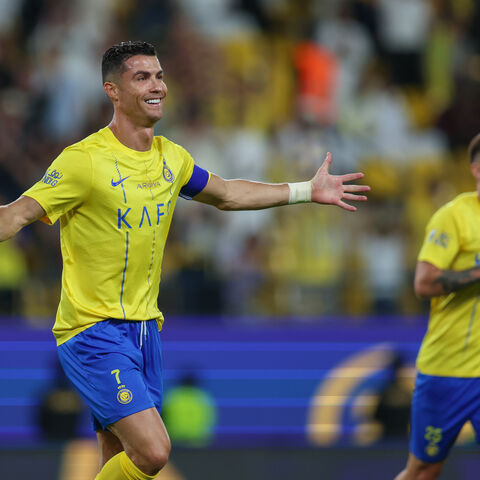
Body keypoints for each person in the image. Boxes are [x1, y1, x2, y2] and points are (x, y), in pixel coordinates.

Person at [0, 41, 370, 480]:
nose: (157, 86)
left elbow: (228, 194)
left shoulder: (171, 159)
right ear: (112, 91)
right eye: (142, 77)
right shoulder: (83, 162)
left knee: (118, 458)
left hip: (145, 331)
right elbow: (17, 214)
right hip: (92, 331)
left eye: (159, 76)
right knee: (155, 452)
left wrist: (306, 190)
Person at [395, 132, 480, 479]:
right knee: (424, 469)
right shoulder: (454, 217)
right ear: (477, 169)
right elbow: (424, 282)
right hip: (449, 371)